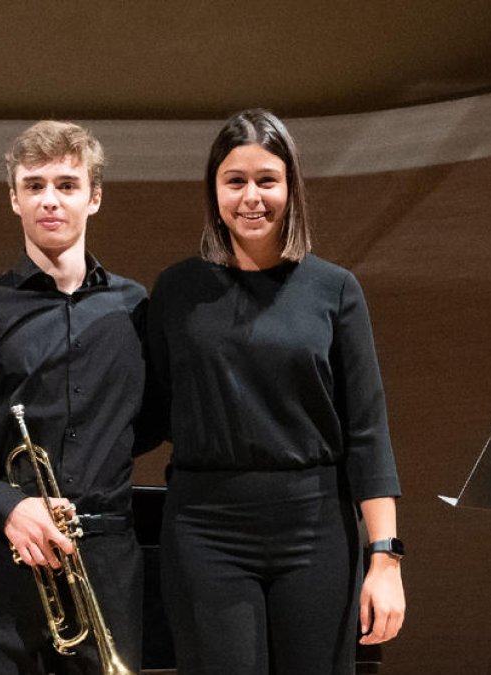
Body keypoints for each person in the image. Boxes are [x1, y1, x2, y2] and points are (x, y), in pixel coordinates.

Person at [147, 109, 406, 674]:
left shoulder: (334, 289)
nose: (251, 197)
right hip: (204, 528)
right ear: (214, 190)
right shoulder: (177, 290)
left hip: (316, 529)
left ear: (291, 187)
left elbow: (367, 429)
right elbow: (148, 412)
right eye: (234, 181)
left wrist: (385, 559)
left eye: (267, 179)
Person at [0, 121, 152, 674]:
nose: (50, 200)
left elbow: (149, 421)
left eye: (67, 185)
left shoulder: (136, 308)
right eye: (34, 185)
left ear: (94, 197)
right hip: (5, 557)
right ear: (14, 198)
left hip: (106, 556)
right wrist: (10, 505)